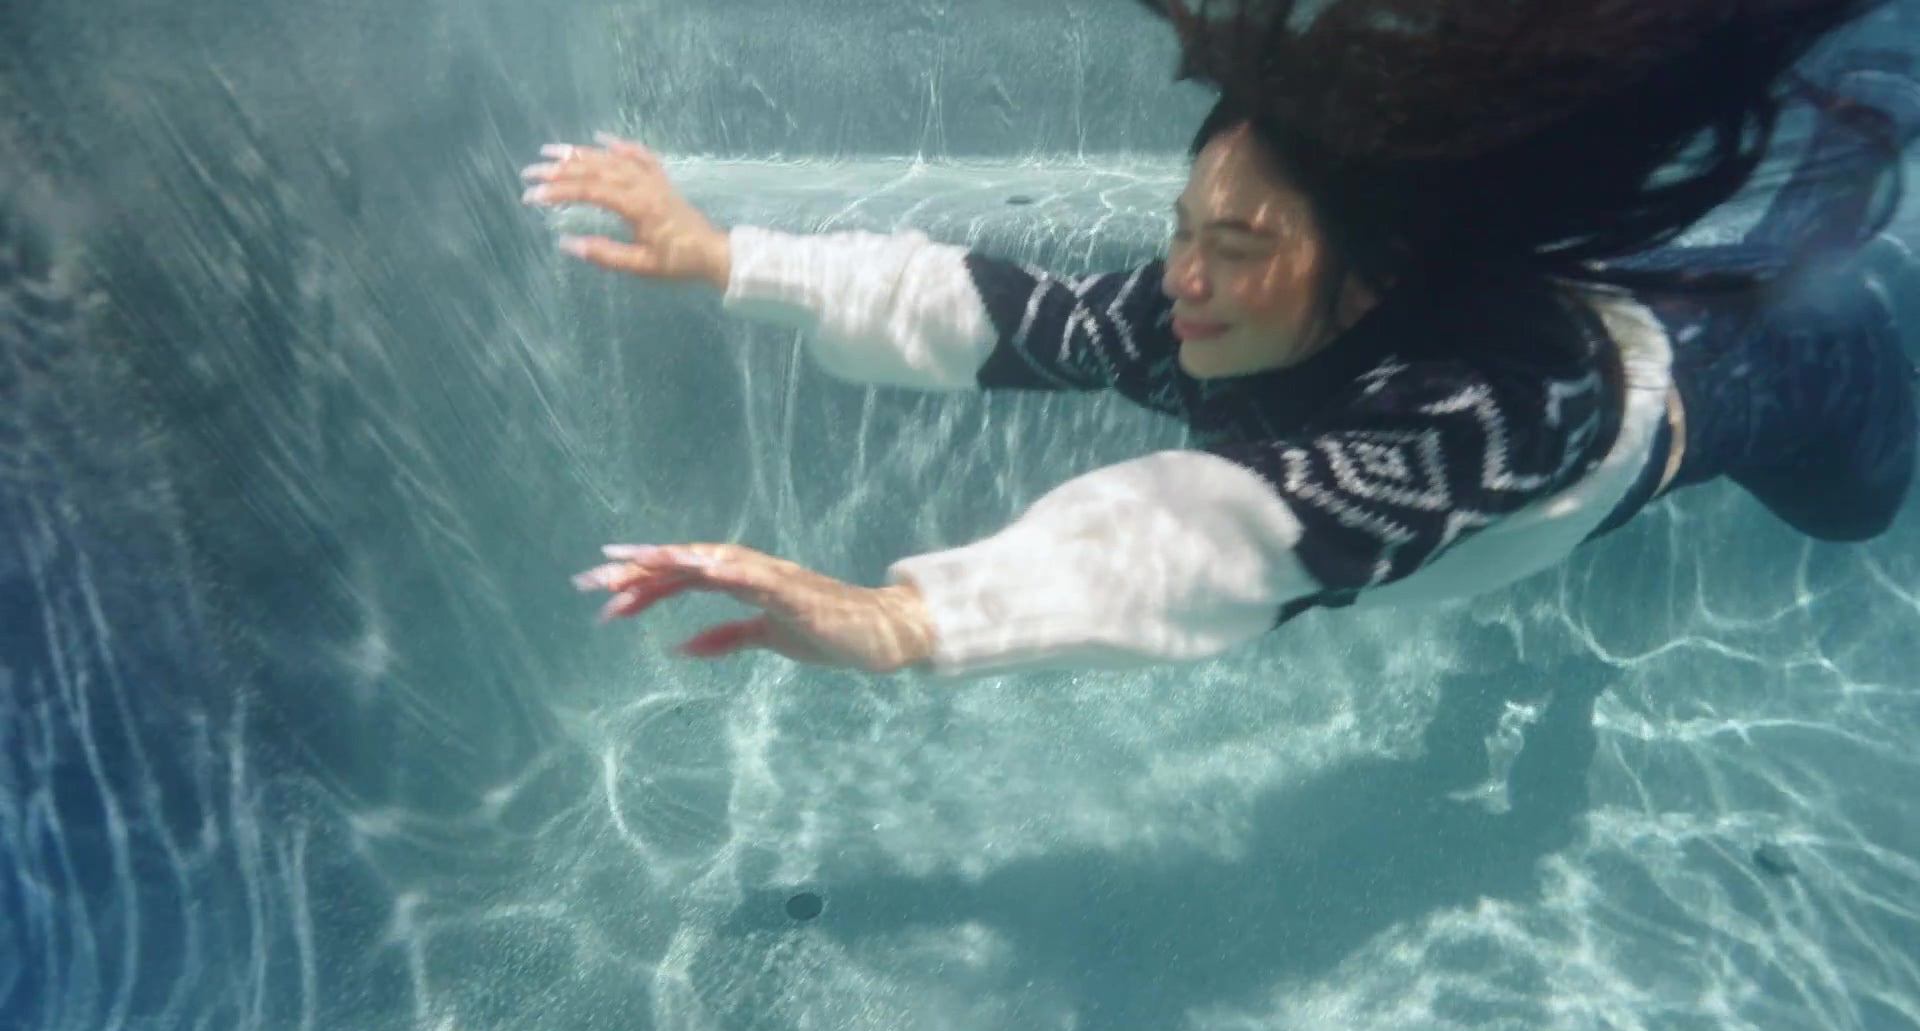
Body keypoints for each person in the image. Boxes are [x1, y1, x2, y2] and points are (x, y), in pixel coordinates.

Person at [521, 0, 1919, 679]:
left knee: (1856, 471)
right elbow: (1003, 307)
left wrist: (914, 620)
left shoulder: (1497, 402)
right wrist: (725, 256)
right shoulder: (1213, 317)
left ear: (1371, 275)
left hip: (1758, 390)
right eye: (1186, 225)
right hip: (1611, 306)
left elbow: (1227, 535)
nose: (1179, 278)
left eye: (1236, 247)